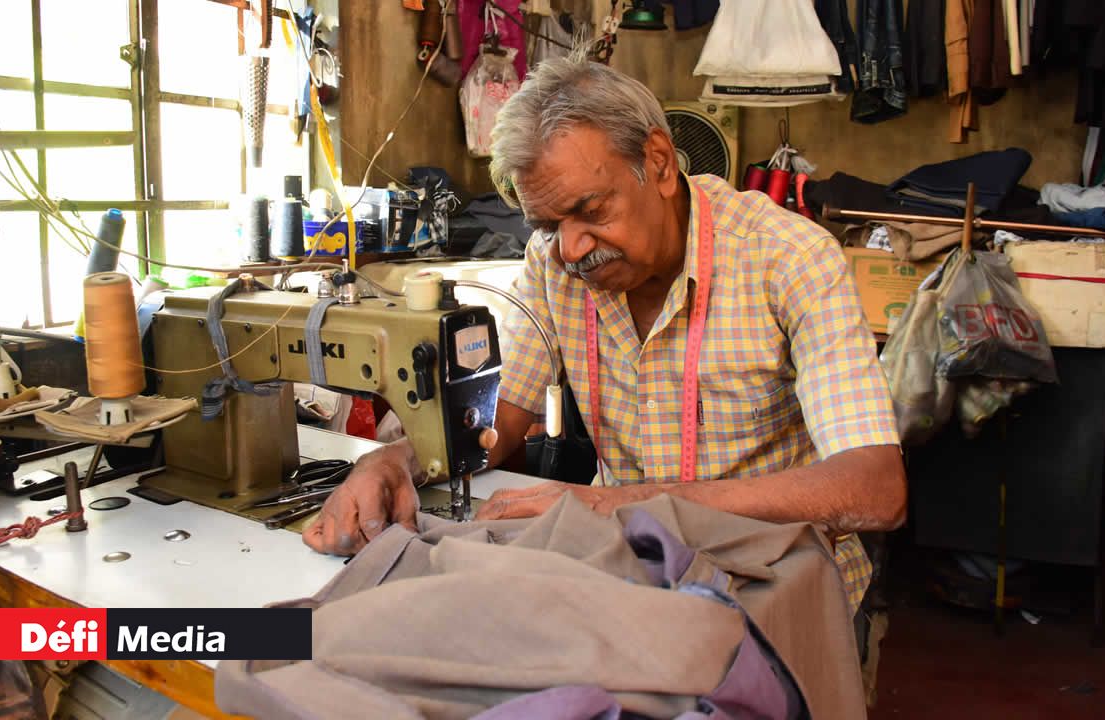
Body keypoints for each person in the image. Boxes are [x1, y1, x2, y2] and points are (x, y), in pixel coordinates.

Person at [303, 57, 906, 611]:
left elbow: (874, 487)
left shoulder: (789, 258)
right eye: (547, 224)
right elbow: (498, 417)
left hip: (775, 581)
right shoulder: (553, 263)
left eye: (591, 211)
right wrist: (398, 460)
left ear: (661, 164)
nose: (570, 247)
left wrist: (620, 503)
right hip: (628, 571)